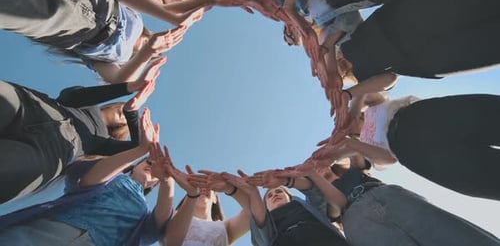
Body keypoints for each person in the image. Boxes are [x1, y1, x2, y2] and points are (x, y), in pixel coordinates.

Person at [0, 0, 248, 82]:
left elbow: (119, 81)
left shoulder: (119, 61)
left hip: (72, 28)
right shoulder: (138, 20)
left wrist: (147, 54)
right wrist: (184, 11)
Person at [0, 58, 165, 203]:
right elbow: (70, 96)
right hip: (33, 106)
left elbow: (137, 147)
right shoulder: (90, 102)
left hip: (52, 151)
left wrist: (132, 112)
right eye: (121, 107)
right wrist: (129, 87)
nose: (122, 114)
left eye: (125, 120)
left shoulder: (102, 142)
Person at [0, 110, 176, 246]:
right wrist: (140, 150)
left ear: (155, 183)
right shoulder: (115, 175)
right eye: (148, 161)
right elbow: (89, 179)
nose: (151, 166)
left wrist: (168, 180)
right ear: (135, 165)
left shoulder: (144, 212)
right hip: (49, 232)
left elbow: (159, 225)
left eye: (156, 168)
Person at [337, 0, 500, 88]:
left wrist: (327, 57)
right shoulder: (362, 79)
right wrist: (348, 94)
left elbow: (344, 18)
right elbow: (390, 79)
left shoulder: (343, 38)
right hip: (426, 56)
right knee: (486, 44)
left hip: (411, 14)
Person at [315, 93, 500, 201]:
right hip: (414, 153)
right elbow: (388, 158)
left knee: (487, 117)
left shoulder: (373, 107)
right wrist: (346, 143)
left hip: (417, 118)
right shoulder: (362, 144)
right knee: (481, 176)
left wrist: (350, 108)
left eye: (340, 120)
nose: (343, 124)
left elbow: (365, 92)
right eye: (339, 126)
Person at [277, 160, 500, 246]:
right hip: (356, 222)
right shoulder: (315, 195)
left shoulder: (354, 170)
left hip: (390, 197)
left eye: (318, 163)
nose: (317, 166)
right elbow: (336, 209)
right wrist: (297, 178)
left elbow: (357, 152)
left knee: (453, 235)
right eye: (311, 167)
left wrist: (340, 146)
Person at [220, 169, 349, 246]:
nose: (275, 195)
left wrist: (286, 180)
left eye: (279, 192)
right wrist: (252, 192)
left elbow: (313, 191)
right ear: (266, 207)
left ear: (290, 196)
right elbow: (261, 223)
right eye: (269, 196)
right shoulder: (266, 222)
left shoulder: (307, 207)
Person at [158, 149, 250, 246]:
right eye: (197, 184)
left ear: (215, 199)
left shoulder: (225, 227)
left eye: (208, 185)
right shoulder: (172, 216)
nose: (202, 188)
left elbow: (253, 214)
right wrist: (191, 194)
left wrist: (229, 188)